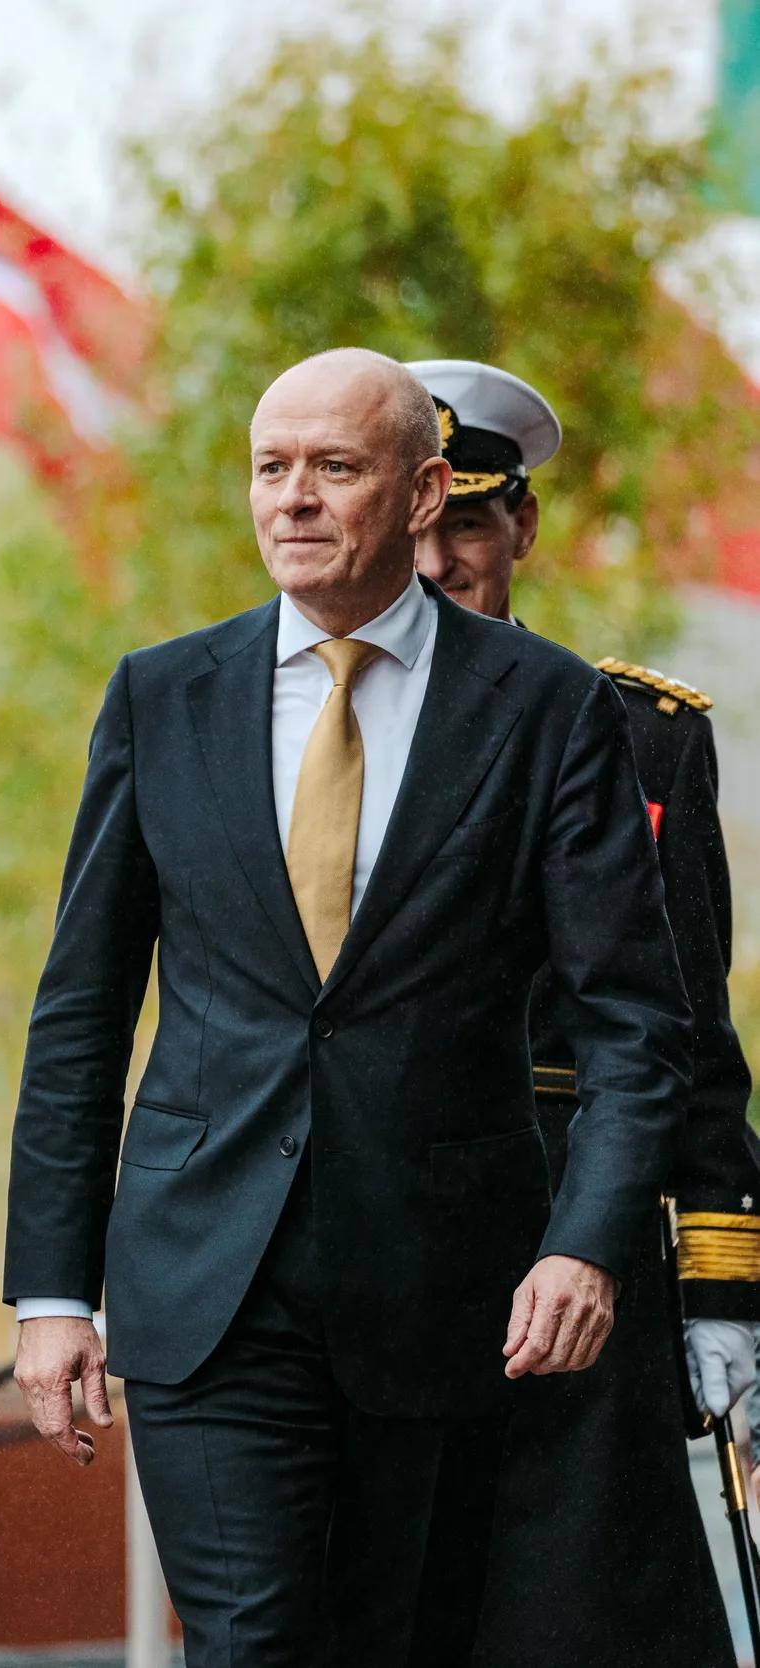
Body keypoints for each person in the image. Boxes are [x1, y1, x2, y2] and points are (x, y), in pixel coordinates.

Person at [4, 347, 693, 1665]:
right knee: (254, 1641)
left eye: (336, 468)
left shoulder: (546, 711)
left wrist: (588, 1244)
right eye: (273, 469)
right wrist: (49, 1289)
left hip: (448, 1292)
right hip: (209, 1285)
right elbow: (84, 1008)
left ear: (429, 490)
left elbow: (636, 1027)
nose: (295, 500)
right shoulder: (164, 696)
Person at [409, 357, 757, 1664]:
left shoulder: (642, 735)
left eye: (471, 523)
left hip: (581, 1217)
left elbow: (689, 1026)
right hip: (380, 1228)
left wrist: (724, 1282)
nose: (442, 561)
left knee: (592, 1613)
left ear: (524, 529)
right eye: (418, 526)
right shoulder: (307, 731)